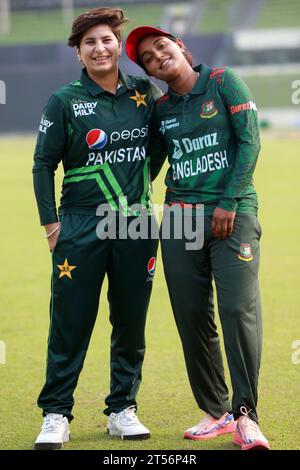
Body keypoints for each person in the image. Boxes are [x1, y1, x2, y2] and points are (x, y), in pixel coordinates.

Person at [125, 26, 270, 450]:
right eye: (148, 59)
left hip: (232, 215)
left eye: (161, 48)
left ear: (181, 47)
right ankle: (217, 411)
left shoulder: (223, 82)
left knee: (236, 311)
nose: (157, 58)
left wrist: (229, 201)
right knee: (191, 316)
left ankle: (246, 416)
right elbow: (147, 165)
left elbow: (250, 141)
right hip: (179, 220)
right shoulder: (162, 107)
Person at [32, 9, 161, 450]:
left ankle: (122, 409)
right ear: (78, 52)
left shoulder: (144, 91)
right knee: (70, 322)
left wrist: (137, 190)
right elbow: (43, 164)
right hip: (80, 226)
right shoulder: (64, 100)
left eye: (106, 40)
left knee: (130, 321)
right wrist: (52, 224)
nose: (99, 48)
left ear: (117, 44)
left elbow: (158, 149)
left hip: (137, 224)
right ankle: (55, 413)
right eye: (89, 43)